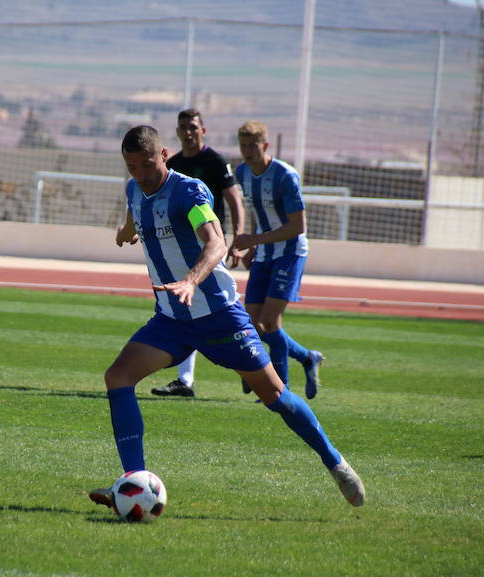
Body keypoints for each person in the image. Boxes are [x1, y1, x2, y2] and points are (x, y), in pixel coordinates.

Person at [89, 125, 366, 511]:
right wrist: (126, 231)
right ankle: (134, 483)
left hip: (218, 315)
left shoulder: (189, 191)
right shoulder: (134, 188)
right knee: (117, 377)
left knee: (275, 395)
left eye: (147, 164)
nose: (141, 174)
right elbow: (137, 214)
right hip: (171, 318)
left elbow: (216, 241)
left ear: (164, 154)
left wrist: (190, 279)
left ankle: (335, 462)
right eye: (132, 167)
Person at [150, 108, 245, 399]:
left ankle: (253, 365)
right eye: (183, 127)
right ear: (177, 132)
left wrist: (237, 237)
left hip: (208, 247)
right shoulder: (173, 164)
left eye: (193, 127)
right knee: (187, 308)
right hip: (180, 249)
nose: (188, 132)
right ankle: (186, 380)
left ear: (203, 130)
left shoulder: (214, 161)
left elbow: (233, 198)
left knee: (221, 310)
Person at [233, 120, 324, 400]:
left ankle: (280, 389)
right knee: (253, 325)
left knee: (270, 323)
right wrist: (251, 249)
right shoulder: (242, 172)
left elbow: (298, 226)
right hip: (263, 252)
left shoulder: (286, 176)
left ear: (266, 145)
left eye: (253, 145)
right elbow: (259, 214)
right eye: (243, 145)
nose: (248, 151)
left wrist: (253, 241)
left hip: (289, 253)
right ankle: (308, 358)